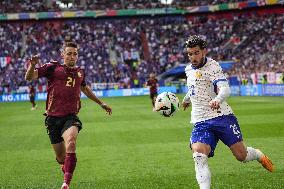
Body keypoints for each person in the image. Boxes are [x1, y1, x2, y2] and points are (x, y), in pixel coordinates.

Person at [182, 35, 273, 189]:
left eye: (196, 53)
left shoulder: (213, 66)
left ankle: (257, 154)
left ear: (204, 51)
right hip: (200, 120)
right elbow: (194, 88)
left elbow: (225, 89)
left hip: (222, 117)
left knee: (241, 156)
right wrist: (186, 99)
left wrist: (218, 99)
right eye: (190, 54)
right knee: (198, 155)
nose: (193, 57)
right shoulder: (188, 69)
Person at [25, 42, 112, 189]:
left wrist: (101, 103)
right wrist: (32, 65)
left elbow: (84, 88)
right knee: (61, 158)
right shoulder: (53, 67)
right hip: (52, 118)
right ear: (62, 54)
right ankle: (64, 166)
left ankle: (66, 183)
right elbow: (29, 77)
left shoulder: (80, 72)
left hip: (70, 117)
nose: (72, 56)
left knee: (71, 141)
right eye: (69, 53)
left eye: (75, 54)